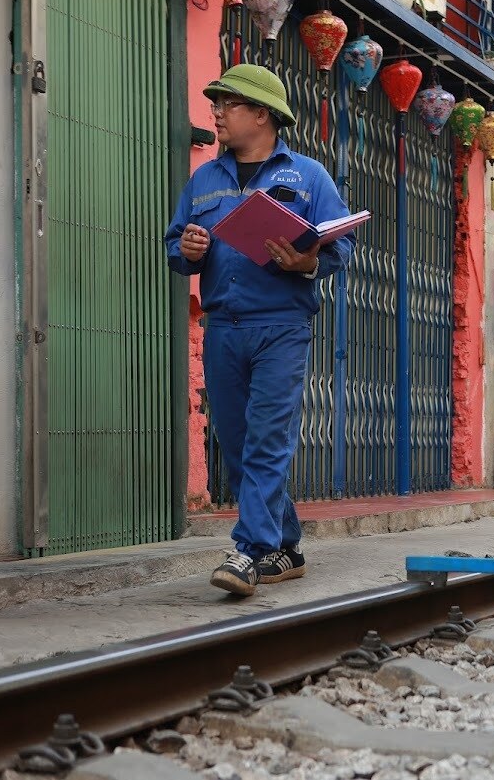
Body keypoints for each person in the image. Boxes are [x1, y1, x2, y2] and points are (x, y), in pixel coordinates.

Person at [164, 65, 355, 596]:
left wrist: (306, 263)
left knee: (268, 440)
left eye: (228, 104)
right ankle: (286, 546)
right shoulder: (204, 179)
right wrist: (187, 250)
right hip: (223, 327)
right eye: (216, 103)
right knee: (237, 442)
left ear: (262, 115)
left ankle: (248, 551)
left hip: (281, 326)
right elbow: (175, 244)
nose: (217, 113)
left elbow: (341, 244)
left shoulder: (308, 176)